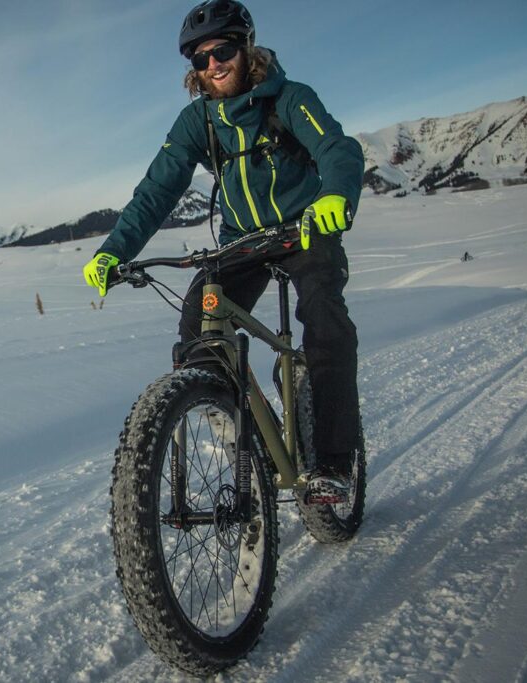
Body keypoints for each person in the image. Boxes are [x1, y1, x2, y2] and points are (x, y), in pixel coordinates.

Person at [83, 0, 364, 504]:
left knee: (324, 321)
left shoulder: (291, 99)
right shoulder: (198, 121)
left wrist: (335, 196)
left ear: (247, 47)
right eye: (200, 58)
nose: (213, 64)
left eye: (224, 50)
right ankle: (246, 435)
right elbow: (156, 192)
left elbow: (338, 150)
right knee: (198, 324)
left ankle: (334, 461)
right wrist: (113, 251)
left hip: (304, 230)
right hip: (242, 241)